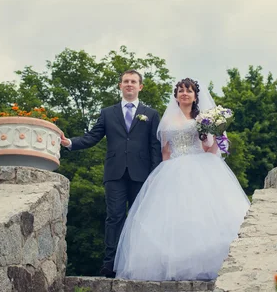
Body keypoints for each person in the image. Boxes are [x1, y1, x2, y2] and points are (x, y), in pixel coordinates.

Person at [113, 78, 250, 281]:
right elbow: (166, 152)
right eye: (181, 91)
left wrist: (220, 136)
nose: (185, 93)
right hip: (172, 170)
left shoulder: (204, 119)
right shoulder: (167, 121)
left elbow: (210, 149)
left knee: (203, 215)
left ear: (196, 96)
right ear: (176, 95)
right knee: (173, 219)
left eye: (189, 91)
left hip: (201, 166)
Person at [59, 69, 162, 278]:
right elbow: (92, 137)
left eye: (133, 81)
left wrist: (154, 175)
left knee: (138, 219)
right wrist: (69, 143)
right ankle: (110, 265)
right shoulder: (108, 113)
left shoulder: (151, 115)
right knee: (114, 217)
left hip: (141, 175)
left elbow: (155, 147)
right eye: (126, 81)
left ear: (140, 86)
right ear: (120, 85)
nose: (129, 84)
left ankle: (137, 263)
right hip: (115, 174)